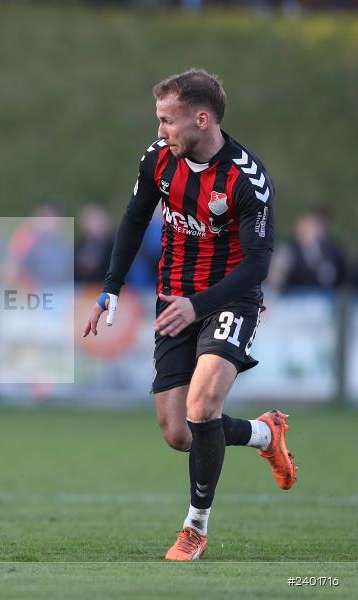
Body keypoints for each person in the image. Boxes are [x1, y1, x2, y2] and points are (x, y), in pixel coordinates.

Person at [83, 69, 296, 561]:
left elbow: (258, 263)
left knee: (202, 407)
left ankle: (194, 528)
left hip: (227, 301)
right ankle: (265, 433)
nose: (160, 131)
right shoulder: (158, 160)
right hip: (172, 301)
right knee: (179, 432)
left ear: (201, 119)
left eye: (167, 121)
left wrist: (198, 304)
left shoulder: (246, 179)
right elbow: (135, 218)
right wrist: (111, 287)